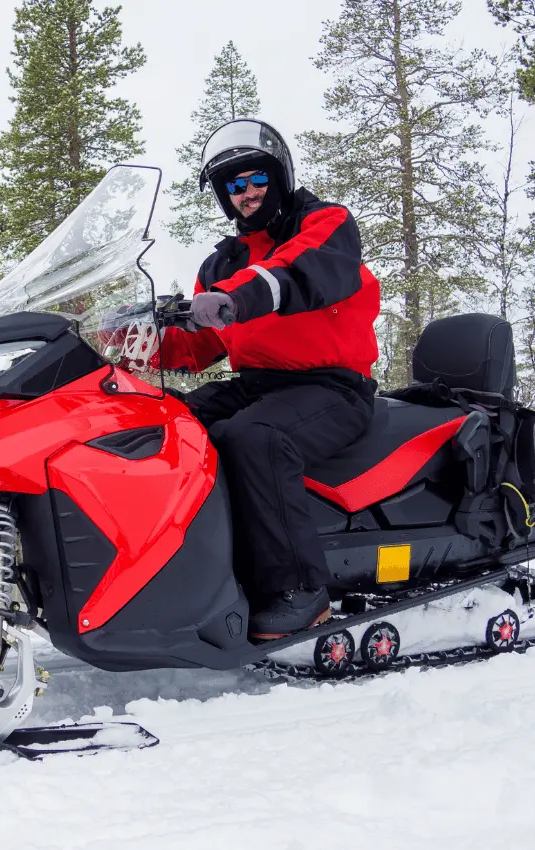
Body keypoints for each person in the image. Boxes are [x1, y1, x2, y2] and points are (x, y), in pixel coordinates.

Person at [160, 118, 381, 639]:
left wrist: (236, 299)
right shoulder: (223, 263)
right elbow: (198, 344)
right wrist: (133, 340)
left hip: (331, 386)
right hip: (258, 382)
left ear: (278, 176)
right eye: (233, 186)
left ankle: (300, 590)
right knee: (169, 422)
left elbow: (295, 274)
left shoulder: (323, 226)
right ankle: (184, 572)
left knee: (255, 437)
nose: (247, 194)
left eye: (256, 179)